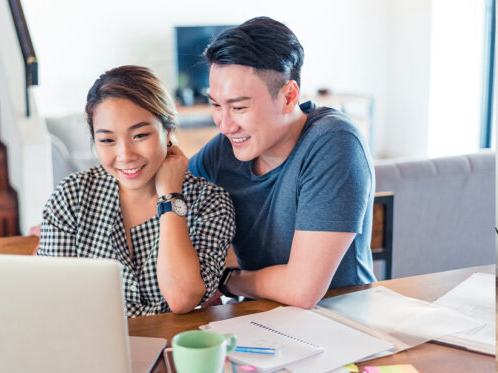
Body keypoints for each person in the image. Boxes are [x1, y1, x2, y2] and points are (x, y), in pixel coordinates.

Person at [188, 17, 376, 309]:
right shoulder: (223, 150)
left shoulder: (334, 141)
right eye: (215, 105)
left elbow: (302, 290)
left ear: (289, 97)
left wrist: (225, 279)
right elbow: (163, 201)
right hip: (258, 317)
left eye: (239, 107)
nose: (224, 125)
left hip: (339, 321)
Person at [38, 65, 235, 317]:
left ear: (169, 132)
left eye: (140, 135)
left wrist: (170, 198)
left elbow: (182, 298)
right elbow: (54, 301)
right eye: (107, 140)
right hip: (94, 347)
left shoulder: (209, 203)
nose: (125, 155)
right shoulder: (72, 196)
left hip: (173, 349)